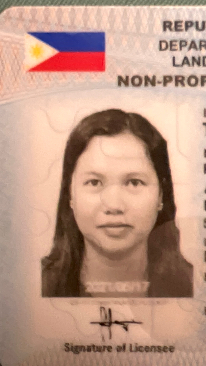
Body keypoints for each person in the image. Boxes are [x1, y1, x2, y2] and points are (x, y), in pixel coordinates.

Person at [42, 109, 193, 297]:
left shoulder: (197, 286)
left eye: (134, 182)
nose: (114, 206)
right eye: (94, 182)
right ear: (70, 194)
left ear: (161, 195)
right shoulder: (29, 286)